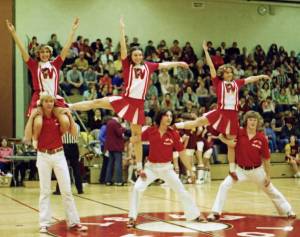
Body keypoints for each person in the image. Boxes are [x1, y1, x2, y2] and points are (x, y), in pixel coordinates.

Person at [70, 17, 189, 178]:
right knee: (97, 102)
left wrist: (179, 63)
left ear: (143, 55)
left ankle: (140, 167)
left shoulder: (149, 66)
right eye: (135, 55)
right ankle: (70, 106)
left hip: (138, 106)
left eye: (140, 54)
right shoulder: (127, 65)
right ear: (132, 57)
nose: (138, 57)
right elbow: (123, 50)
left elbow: (164, 65)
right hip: (124, 100)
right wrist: (122, 30)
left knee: (137, 137)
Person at [175, 41, 271, 180]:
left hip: (232, 115)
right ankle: (176, 125)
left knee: (232, 144)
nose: (229, 74)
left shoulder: (237, 83)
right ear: (223, 74)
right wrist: (206, 51)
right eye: (226, 72)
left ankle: (232, 170)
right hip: (220, 111)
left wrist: (261, 76)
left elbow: (249, 79)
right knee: (198, 122)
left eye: (230, 72)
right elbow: (211, 67)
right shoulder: (218, 83)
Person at [207, 111, 296, 221]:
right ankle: (215, 212)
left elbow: (266, 159)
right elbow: (221, 135)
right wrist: (227, 142)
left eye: (255, 120)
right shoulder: (239, 132)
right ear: (246, 121)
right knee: (224, 185)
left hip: (257, 170)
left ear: (258, 122)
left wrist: (268, 175)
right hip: (240, 170)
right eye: (250, 120)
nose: (252, 122)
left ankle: (288, 210)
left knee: (271, 190)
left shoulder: (261, 138)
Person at [6, 18, 80, 146]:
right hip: (39, 99)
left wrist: (72, 31)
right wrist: (13, 33)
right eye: (42, 52)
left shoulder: (56, 64)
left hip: (53, 98)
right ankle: (35, 140)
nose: (45, 54)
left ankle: (58, 138)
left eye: (47, 51)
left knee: (65, 122)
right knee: (39, 123)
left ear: (50, 53)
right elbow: (22, 50)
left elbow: (66, 48)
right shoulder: (34, 65)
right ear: (38, 54)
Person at [127, 109, 205, 228]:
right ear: (160, 117)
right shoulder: (150, 130)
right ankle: (132, 218)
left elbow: (182, 153)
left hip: (167, 168)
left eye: (170, 115)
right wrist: (133, 138)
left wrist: (191, 170)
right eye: (166, 115)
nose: (169, 118)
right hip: (150, 168)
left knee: (181, 190)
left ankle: (195, 215)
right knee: (137, 188)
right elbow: (136, 141)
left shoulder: (174, 133)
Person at [24, 93, 87, 233]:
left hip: (59, 154)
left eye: (51, 101)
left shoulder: (58, 117)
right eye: (46, 101)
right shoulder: (38, 119)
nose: (49, 104)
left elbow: (74, 134)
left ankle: (74, 222)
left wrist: (70, 116)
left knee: (67, 190)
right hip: (43, 155)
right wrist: (32, 116)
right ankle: (44, 223)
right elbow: (27, 138)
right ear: (42, 103)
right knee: (45, 191)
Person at [53, 121, 84, 195]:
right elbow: (78, 137)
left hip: (63, 146)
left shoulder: (61, 123)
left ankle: (59, 190)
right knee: (76, 168)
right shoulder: (77, 125)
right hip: (74, 146)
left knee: (61, 168)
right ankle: (80, 189)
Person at [104, 116, 126, 186]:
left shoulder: (109, 122)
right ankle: (118, 180)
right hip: (116, 146)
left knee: (110, 164)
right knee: (118, 164)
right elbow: (119, 133)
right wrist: (123, 128)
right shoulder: (115, 123)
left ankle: (108, 180)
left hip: (110, 146)